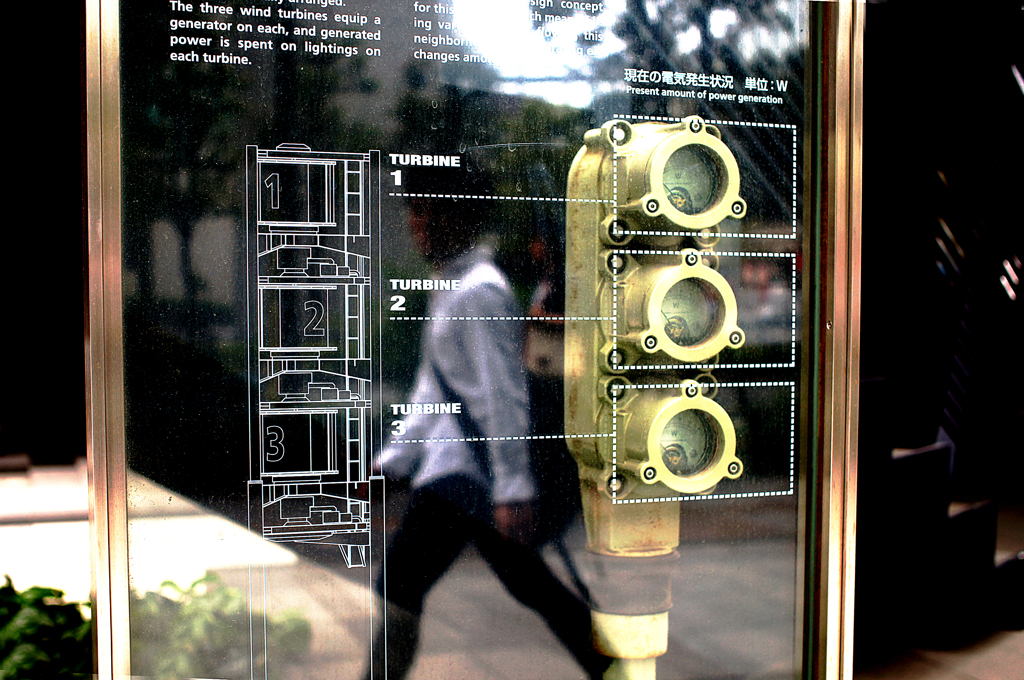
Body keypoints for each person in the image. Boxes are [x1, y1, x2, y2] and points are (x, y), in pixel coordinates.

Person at [364, 174, 608, 680]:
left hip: (466, 475)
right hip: (461, 471)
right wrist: (395, 461)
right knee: (529, 586)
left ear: (467, 218)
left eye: (434, 211)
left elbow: (502, 396)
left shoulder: (479, 292)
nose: (420, 223)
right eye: (415, 211)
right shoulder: (451, 286)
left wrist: (513, 485)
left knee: (401, 583)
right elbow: (435, 387)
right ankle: (615, 667)